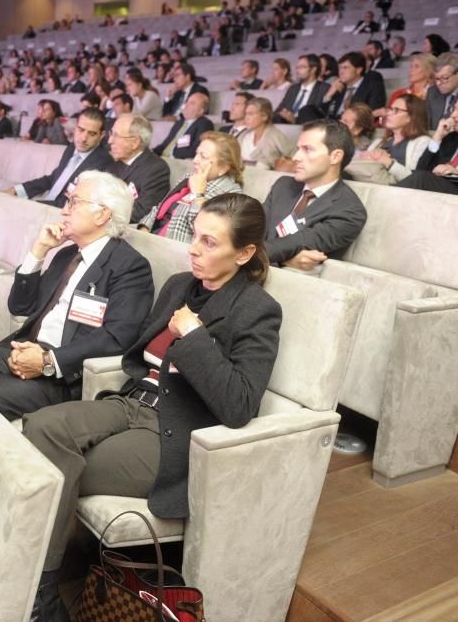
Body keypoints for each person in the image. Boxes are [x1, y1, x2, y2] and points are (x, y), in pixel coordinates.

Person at [25, 192, 282, 621]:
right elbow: (137, 351)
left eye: (210, 243)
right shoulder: (180, 286)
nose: (194, 250)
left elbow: (239, 404)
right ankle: (40, 587)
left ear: (245, 253)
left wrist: (195, 337)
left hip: (171, 429)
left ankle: (39, 594)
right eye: (195, 237)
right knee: (38, 428)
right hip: (131, 402)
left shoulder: (258, 310)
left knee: (57, 468)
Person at [0, 171, 153, 420]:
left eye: (74, 202)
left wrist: (48, 360)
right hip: (21, 350)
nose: (64, 210)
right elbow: (20, 306)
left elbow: (116, 338)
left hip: (60, 375)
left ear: (102, 214)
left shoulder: (128, 266)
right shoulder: (66, 255)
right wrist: (39, 251)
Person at [263, 119, 367, 271]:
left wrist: (241, 255)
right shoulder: (284, 185)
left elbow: (298, 241)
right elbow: (254, 228)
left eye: (307, 149)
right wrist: (284, 260)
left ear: (335, 157)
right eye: (298, 149)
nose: (296, 157)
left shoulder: (349, 211)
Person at [140, 132, 244, 242]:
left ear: (223, 167)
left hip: (175, 250)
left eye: (203, 156)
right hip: (152, 238)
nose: (195, 160)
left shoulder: (231, 194)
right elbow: (160, 206)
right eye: (196, 154)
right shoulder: (190, 176)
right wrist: (144, 228)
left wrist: (198, 194)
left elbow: (206, 231)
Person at [13, 108, 113, 206]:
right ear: (75, 128)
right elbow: (53, 178)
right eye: (81, 130)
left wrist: (31, 205)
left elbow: (74, 203)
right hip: (47, 205)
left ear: (101, 135)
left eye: (92, 134)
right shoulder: (71, 148)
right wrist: (18, 190)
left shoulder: (103, 163)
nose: (83, 138)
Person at [106, 113, 171, 222]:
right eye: (111, 133)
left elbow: (142, 212)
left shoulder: (156, 169)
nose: (110, 141)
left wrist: (101, 214)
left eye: (116, 136)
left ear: (135, 142)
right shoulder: (113, 163)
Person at [358, 94, 432, 184]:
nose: (388, 113)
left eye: (396, 110)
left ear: (410, 117)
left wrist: (387, 161)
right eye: (390, 109)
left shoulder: (422, 141)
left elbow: (415, 180)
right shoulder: (379, 142)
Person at [321, 52, 386, 119]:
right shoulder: (338, 87)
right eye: (340, 68)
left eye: (345, 68)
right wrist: (328, 96)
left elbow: (373, 113)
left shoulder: (373, 86)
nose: (341, 72)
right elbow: (322, 114)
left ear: (358, 70)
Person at [152, 92, 214, 160]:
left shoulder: (204, 124)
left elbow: (196, 150)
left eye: (192, 103)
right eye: (187, 101)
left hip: (178, 161)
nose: (186, 105)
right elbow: (165, 144)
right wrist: (151, 152)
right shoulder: (179, 123)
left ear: (200, 111)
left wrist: (172, 152)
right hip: (163, 159)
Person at [238, 97, 294, 170]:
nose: (246, 118)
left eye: (250, 114)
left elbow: (294, 157)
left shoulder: (276, 136)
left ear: (264, 116)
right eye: (246, 114)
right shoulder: (242, 136)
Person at [275, 54, 330, 124]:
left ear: (313, 69)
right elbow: (279, 110)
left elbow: (318, 114)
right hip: (286, 124)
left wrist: (295, 120)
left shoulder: (324, 88)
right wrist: (283, 113)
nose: (297, 71)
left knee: (307, 111)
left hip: (308, 126)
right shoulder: (293, 88)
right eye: (297, 67)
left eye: (301, 67)